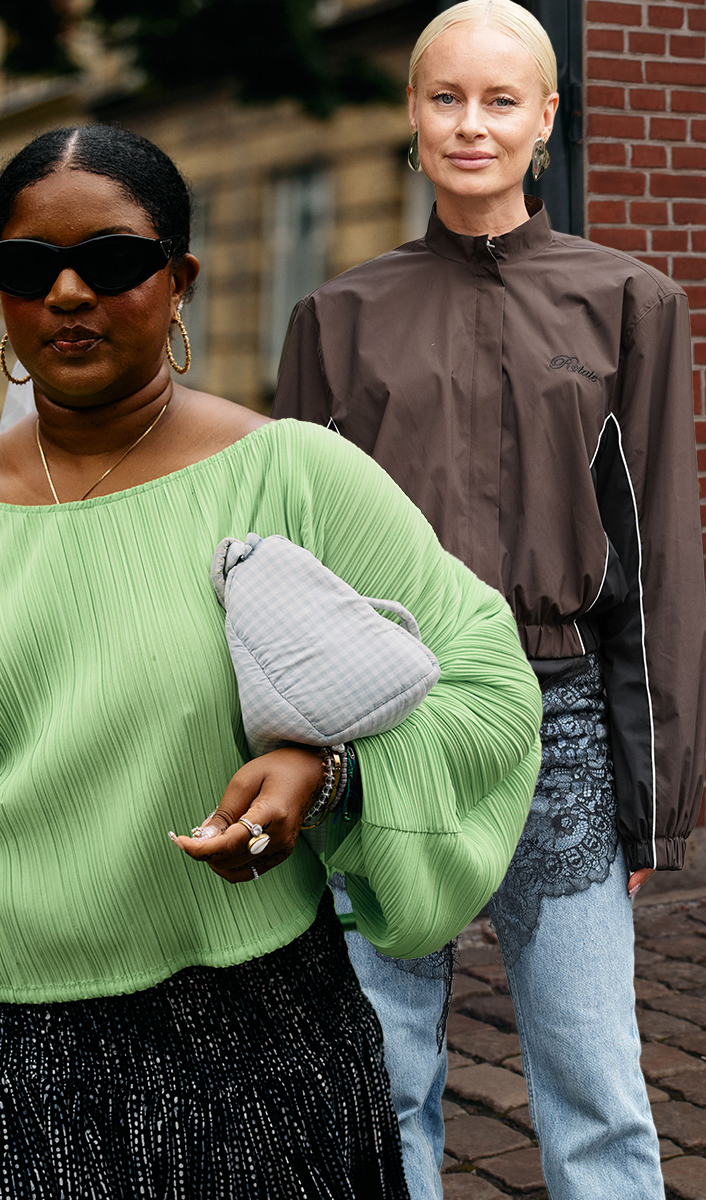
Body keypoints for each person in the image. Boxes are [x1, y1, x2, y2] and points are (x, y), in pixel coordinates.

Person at [0, 124, 542, 1199]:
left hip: (245, 1063)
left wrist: (329, 772)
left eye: (110, 261)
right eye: (26, 267)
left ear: (179, 280)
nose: (66, 293)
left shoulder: (294, 476)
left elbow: (489, 685)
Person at [272, 2, 706, 1197]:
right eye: (447, 98)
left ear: (545, 118)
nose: (473, 124)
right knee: (381, 1077)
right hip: (383, 730)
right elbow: (289, 572)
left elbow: (658, 561)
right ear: (412, 116)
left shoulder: (630, 304)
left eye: (501, 100)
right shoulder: (336, 319)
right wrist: (296, 763)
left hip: (559, 725)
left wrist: (653, 799)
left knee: (595, 1085)